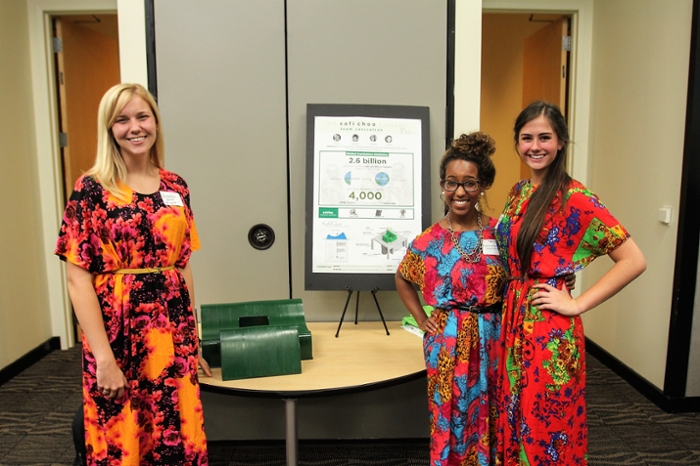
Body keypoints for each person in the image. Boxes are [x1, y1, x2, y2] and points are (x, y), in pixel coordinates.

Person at [55, 83, 211, 465]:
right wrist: (103, 358)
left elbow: (182, 264)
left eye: (142, 116)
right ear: (109, 129)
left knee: (175, 431)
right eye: (122, 120)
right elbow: (78, 279)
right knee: (123, 436)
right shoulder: (91, 190)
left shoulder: (176, 186)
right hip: (118, 334)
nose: (134, 127)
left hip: (173, 337)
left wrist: (193, 338)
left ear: (155, 122)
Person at [494, 101, 646, 465]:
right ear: (516, 142)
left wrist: (576, 304)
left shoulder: (575, 198)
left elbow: (633, 260)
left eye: (545, 137)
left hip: (548, 330)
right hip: (513, 320)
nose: (535, 146)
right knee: (514, 414)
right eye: (527, 137)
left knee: (545, 423)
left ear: (560, 141)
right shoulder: (519, 192)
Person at [396, 132, 506, 466]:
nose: (459, 192)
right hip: (447, 339)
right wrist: (420, 318)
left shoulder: (500, 232)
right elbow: (402, 277)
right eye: (451, 183)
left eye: (469, 183)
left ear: (482, 185)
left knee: (492, 408)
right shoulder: (429, 239)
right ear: (443, 186)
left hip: (493, 334)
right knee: (450, 412)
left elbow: (524, 274)